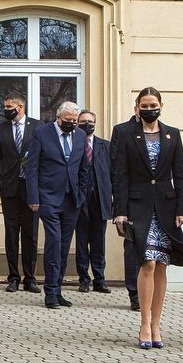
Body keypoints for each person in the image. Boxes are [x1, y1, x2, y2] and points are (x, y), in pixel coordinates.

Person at [109, 88, 183, 347]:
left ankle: (157, 325)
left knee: (162, 264)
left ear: (161, 106)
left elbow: (180, 174)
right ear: (136, 107)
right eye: (144, 104)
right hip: (137, 207)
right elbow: (119, 174)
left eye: (153, 104)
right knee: (147, 263)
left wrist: (181, 210)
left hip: (165, 207)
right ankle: (144, 324)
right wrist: (119, 211)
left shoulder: (172, 134)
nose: (149, 108)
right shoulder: (123, 133)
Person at [25, 101, 84, 308]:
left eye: (75, 120)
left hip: (72, 200)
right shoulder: (42, 134)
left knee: (65, 246)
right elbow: (31, 168)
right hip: (48, 198)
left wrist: (82, 193)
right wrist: (33, 197)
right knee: (54, 242)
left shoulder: (81, 136)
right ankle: (50, 291)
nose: (72, 123)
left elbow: (83, 168)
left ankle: (58, 290)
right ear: (59, 118)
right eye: (68, 120)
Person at [0, 94, 41, 293]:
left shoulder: (37, 127)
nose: (6, 109)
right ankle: (13, 277)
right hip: (9, 187)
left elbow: (42, 156)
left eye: (9, 106)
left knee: (31, 234)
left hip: (31, 188)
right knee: (11, 233)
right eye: (4, 106)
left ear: (20, 107)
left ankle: (30, 278)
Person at [72, 109, 113, 293]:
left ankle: (99, 279)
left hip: (99, 200)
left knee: (99, 241)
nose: (86, 124)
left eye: (89, 121)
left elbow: (114, 174)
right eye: (82, 121)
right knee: (81, 241)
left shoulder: (106, 146)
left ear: (95, 123)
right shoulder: (73, 144)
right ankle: (83, 279)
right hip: (80, 200)